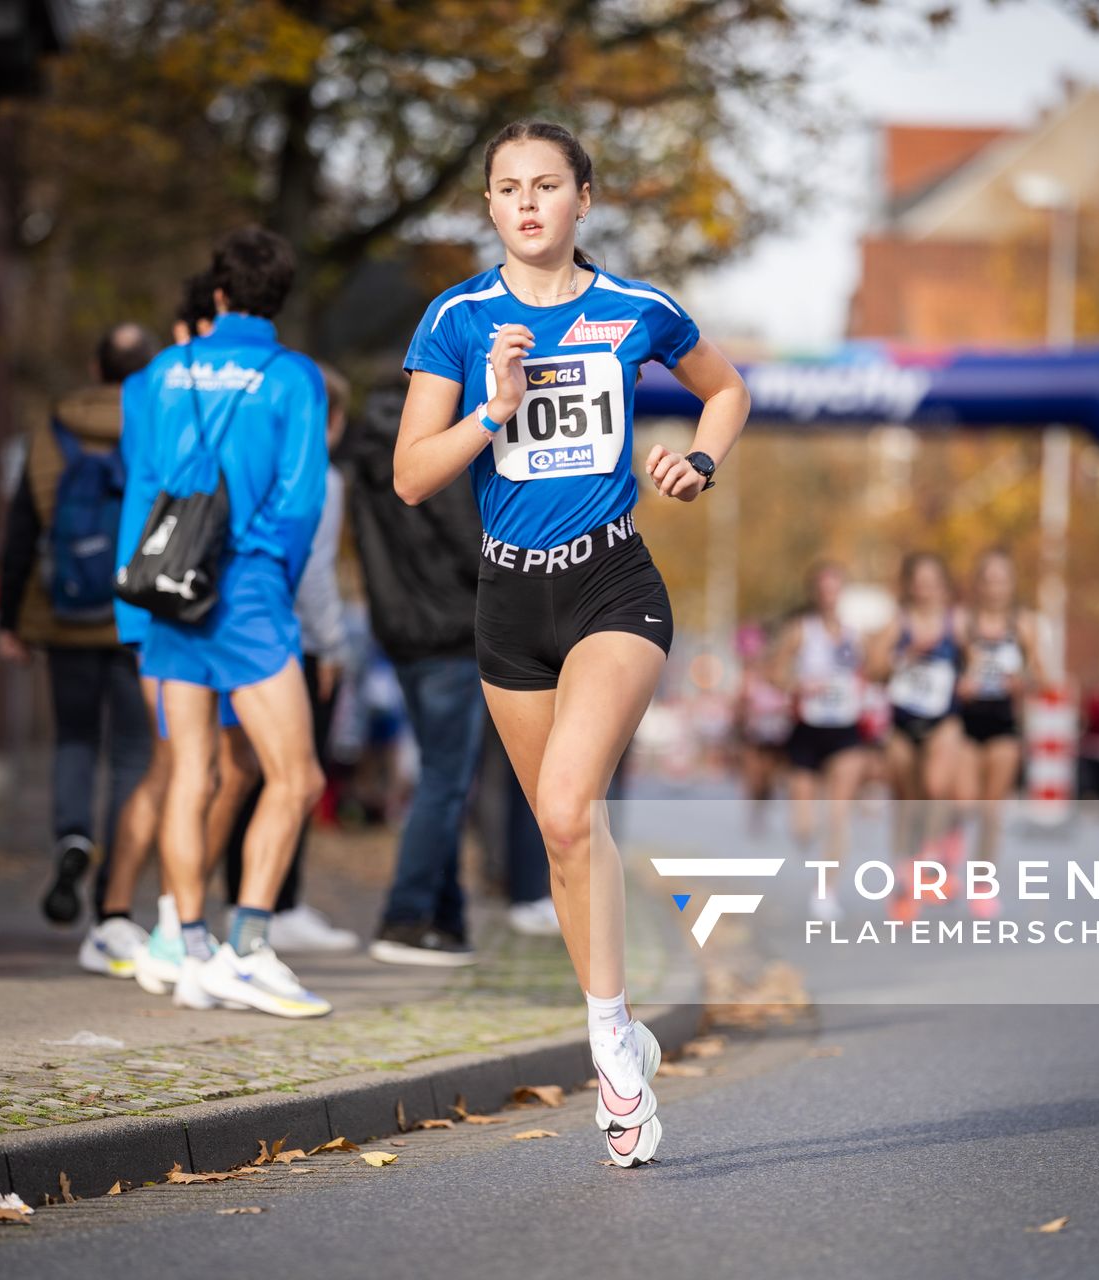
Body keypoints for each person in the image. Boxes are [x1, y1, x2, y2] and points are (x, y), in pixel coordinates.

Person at [394, 120, 750, 1165]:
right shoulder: (458, 318)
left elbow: (726, 389)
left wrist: (698, 459)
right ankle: (618, 1018)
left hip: (612, 583)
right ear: (492, 208)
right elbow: (414, 475)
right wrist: (493, 409)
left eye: (547, 185)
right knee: (561, 835)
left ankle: (607, 1047)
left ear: (584, 198)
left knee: (563, 801)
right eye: (508, 189)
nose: (528, 204)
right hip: (509, 597)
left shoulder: (637, 310)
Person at [119, 225, 332, 1018]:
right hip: (243, 591)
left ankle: (189, 946)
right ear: (277, 298)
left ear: (216, 293)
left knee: (190, 773)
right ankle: (246, 945)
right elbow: (302, 499)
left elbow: (142, 486)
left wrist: (132, 607)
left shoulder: (165, 372)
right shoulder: (293, 376)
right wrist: (269, 574)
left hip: (167, 590)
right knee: (297, 775)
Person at [106, 273, 266, 988]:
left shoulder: (196, 386)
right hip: (169, 594)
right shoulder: (161, 387)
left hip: (214, 601)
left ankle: (177, 918)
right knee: (183, 765)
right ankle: (146, 921)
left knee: (229, 768)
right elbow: (162, 485)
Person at [0, 322, 160, 949]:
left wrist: (10, 620)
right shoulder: (159, 422)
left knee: (72, 739)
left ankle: (72, 839)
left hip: (62, 613)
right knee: (129, 755)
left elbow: (21, 531)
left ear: (95, 367)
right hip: (136, 616)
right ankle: (111, 902)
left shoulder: (52, 429)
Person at [346, 381, 491, 964]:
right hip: (452, 631)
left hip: (400, 631)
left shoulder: (367, 453)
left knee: (442, 777)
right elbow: (472, 543)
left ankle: (446, 919)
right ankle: (404, 917)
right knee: (446, 781)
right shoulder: (433, 445)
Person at [218, 363, 357, 955]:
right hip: (287, 642)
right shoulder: (320, 477)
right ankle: (274, 909)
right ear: (334, 420)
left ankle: (217, 910)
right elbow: (315, 575)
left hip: (229, 632)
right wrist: (331, 645)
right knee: (297, 776)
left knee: (236, 775)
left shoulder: (248, 462)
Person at [866, 552, 966, 919]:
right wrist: (901, 655)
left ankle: (930, 856)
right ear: (910, 586)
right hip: (904, 722)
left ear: (943, 585)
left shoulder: (956, 623)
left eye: (932, 582)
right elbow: (874, 670)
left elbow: (978, 660)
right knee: (906, 802)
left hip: (944, 719)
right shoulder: (899, 623)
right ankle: (904, 879)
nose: (925, 590)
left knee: (937, 787)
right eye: (918, 582)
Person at [771, 562, 871, 920]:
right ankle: (807, 839)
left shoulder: (855, 635)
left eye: (835, 588)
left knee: (838, 815)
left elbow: (874, 672)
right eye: (823, 589)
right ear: (815, 594)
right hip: (807, 729)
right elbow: (775, 673)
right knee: (804, 827)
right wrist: (797, 686)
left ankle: (825, 892)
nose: (829, 596)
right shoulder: (801, 631)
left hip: (845, 729)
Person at [955, 548, 1039, 911]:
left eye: (1002, 580)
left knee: (991, 811)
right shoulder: (962, 624)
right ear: (978, 584)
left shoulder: (1022, 625)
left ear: (1011, 584)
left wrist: (1023, 682)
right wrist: (961, 682)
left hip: (1003, 723)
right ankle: (946, 852)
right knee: (963, 801)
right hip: (965, 723)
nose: (995, 588)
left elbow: (1043, 676)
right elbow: (941, 670)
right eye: (988, 580)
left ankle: (982, 885)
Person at [733, 621, 793, 836]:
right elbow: (737, 709)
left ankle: (762, 807)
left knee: (767, 779)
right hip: (752, 735)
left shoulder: (776, 672)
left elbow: (789, 695)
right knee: (754, 776)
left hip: (775, 734)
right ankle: (754, 811)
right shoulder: (746, 678)